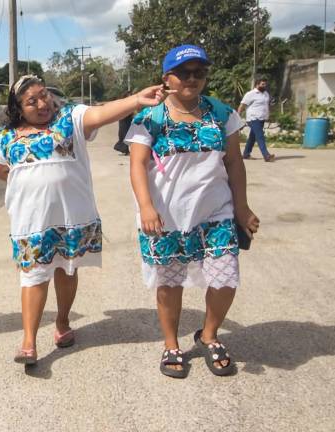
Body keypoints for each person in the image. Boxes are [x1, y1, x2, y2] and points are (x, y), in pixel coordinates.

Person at [0, 74, 168, 365]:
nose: (42, 103)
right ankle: (28, 342)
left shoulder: (69, 118)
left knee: (67, 270)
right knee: (33, 276)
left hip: (71, 216)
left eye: (44, 95)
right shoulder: (6, 136)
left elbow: (101, 113)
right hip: (29, 221)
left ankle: (62, 323)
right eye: (31, 101)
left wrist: (136, 100)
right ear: (18, 108)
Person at [125, 45, 260, 378]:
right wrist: (146, 207)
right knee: (170, 283)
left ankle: (209, 335)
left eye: (199, 72)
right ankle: (171, 344)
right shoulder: (150, 116)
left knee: (226, 278)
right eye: (184, 72)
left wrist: (241, 207)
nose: (192, 78)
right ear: (167, 78)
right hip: (167, 217)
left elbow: (233, 163)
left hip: (215, 214)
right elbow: (138, 164)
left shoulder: (221, 112)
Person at [238, 78, 275, 162]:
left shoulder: (266, 94)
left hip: (262, 118)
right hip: (253, 118)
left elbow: (266, 105)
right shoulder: (250, 94)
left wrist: (269, 115)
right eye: (262, 84)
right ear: (257, 84)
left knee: (253, 137)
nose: (264, 86)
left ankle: (246, 154)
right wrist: (237, 116)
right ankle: (266, 155)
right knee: (260, 136)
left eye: (265, 84)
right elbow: (242, 105)